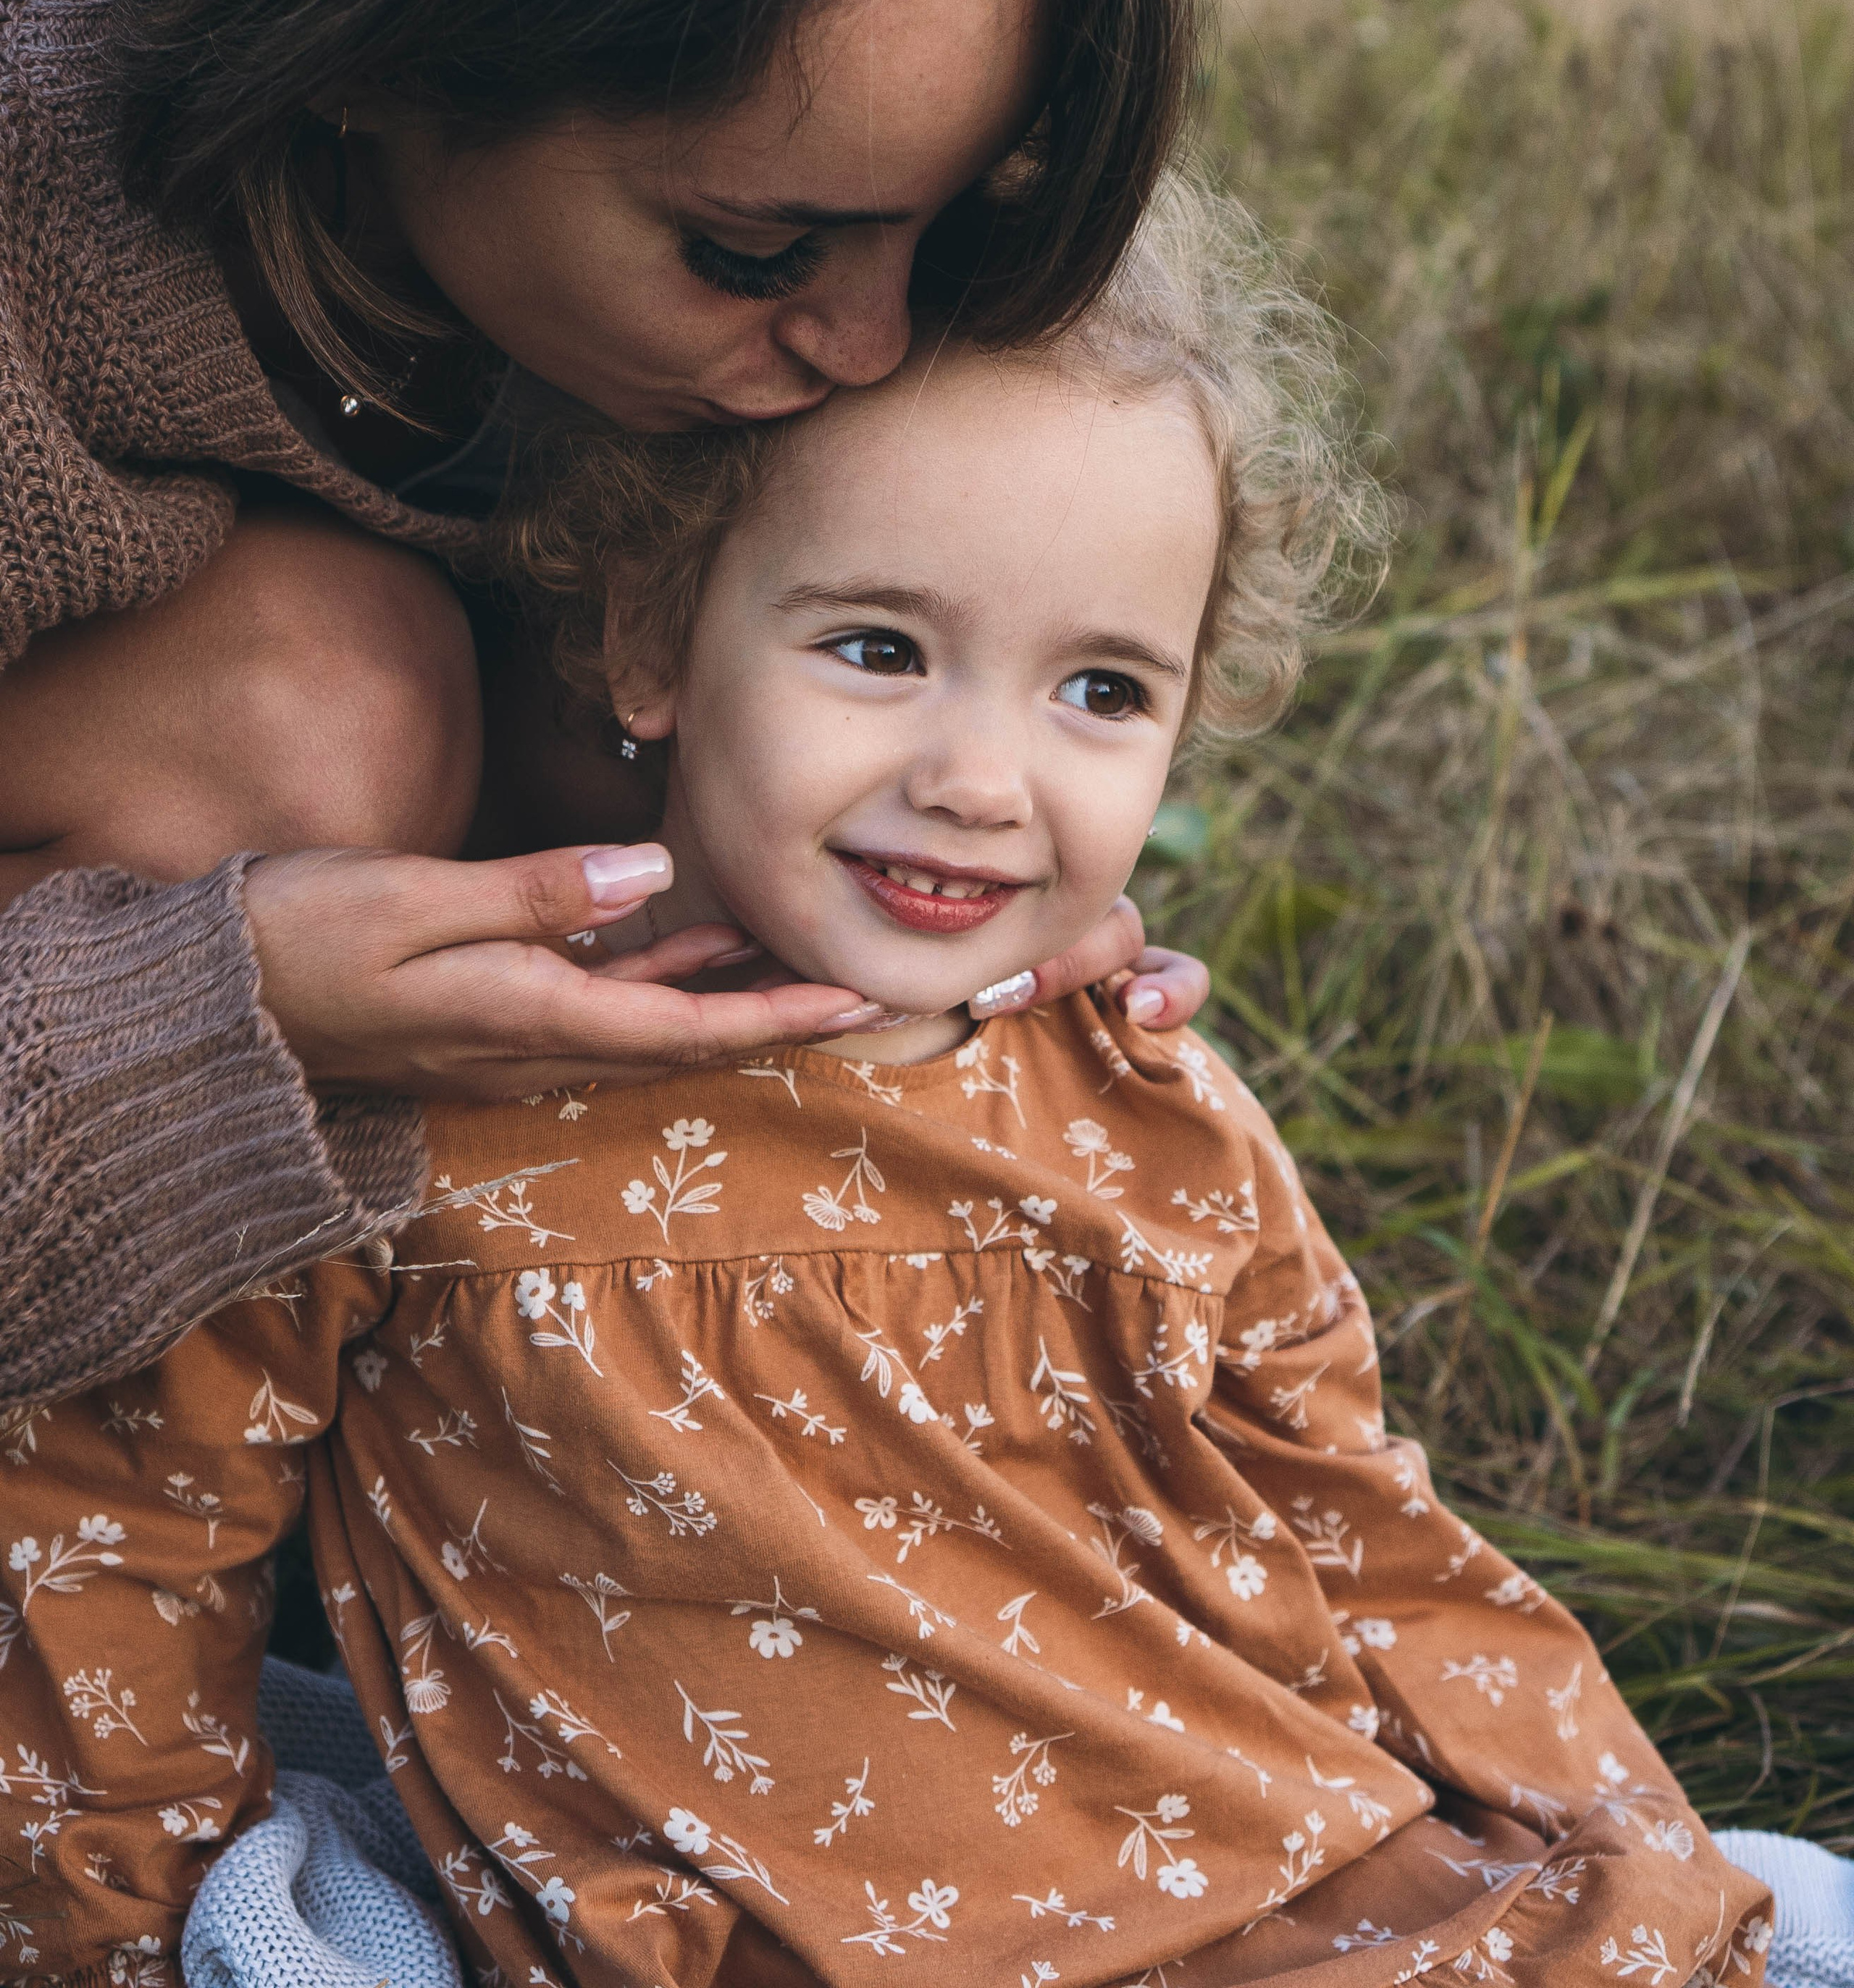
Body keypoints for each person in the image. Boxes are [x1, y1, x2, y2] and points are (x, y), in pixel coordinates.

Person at [0, 188, 1773, 1988]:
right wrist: (110, 1937)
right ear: (651, 640)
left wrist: (1630, 1851)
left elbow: (1363, 1530)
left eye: (1099, 688)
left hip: (1281, 1894)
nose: (984, 781)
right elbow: (126, 1533)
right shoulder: (418, 1091)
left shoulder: (1144, 1109)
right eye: (878, 649)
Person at [0, 0, 1212, 1415]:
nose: (865, 345)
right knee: (325, 722)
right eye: (752, 247)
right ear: (365, 46)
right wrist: (195, 1021)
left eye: (960, 219)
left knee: (696, 710)